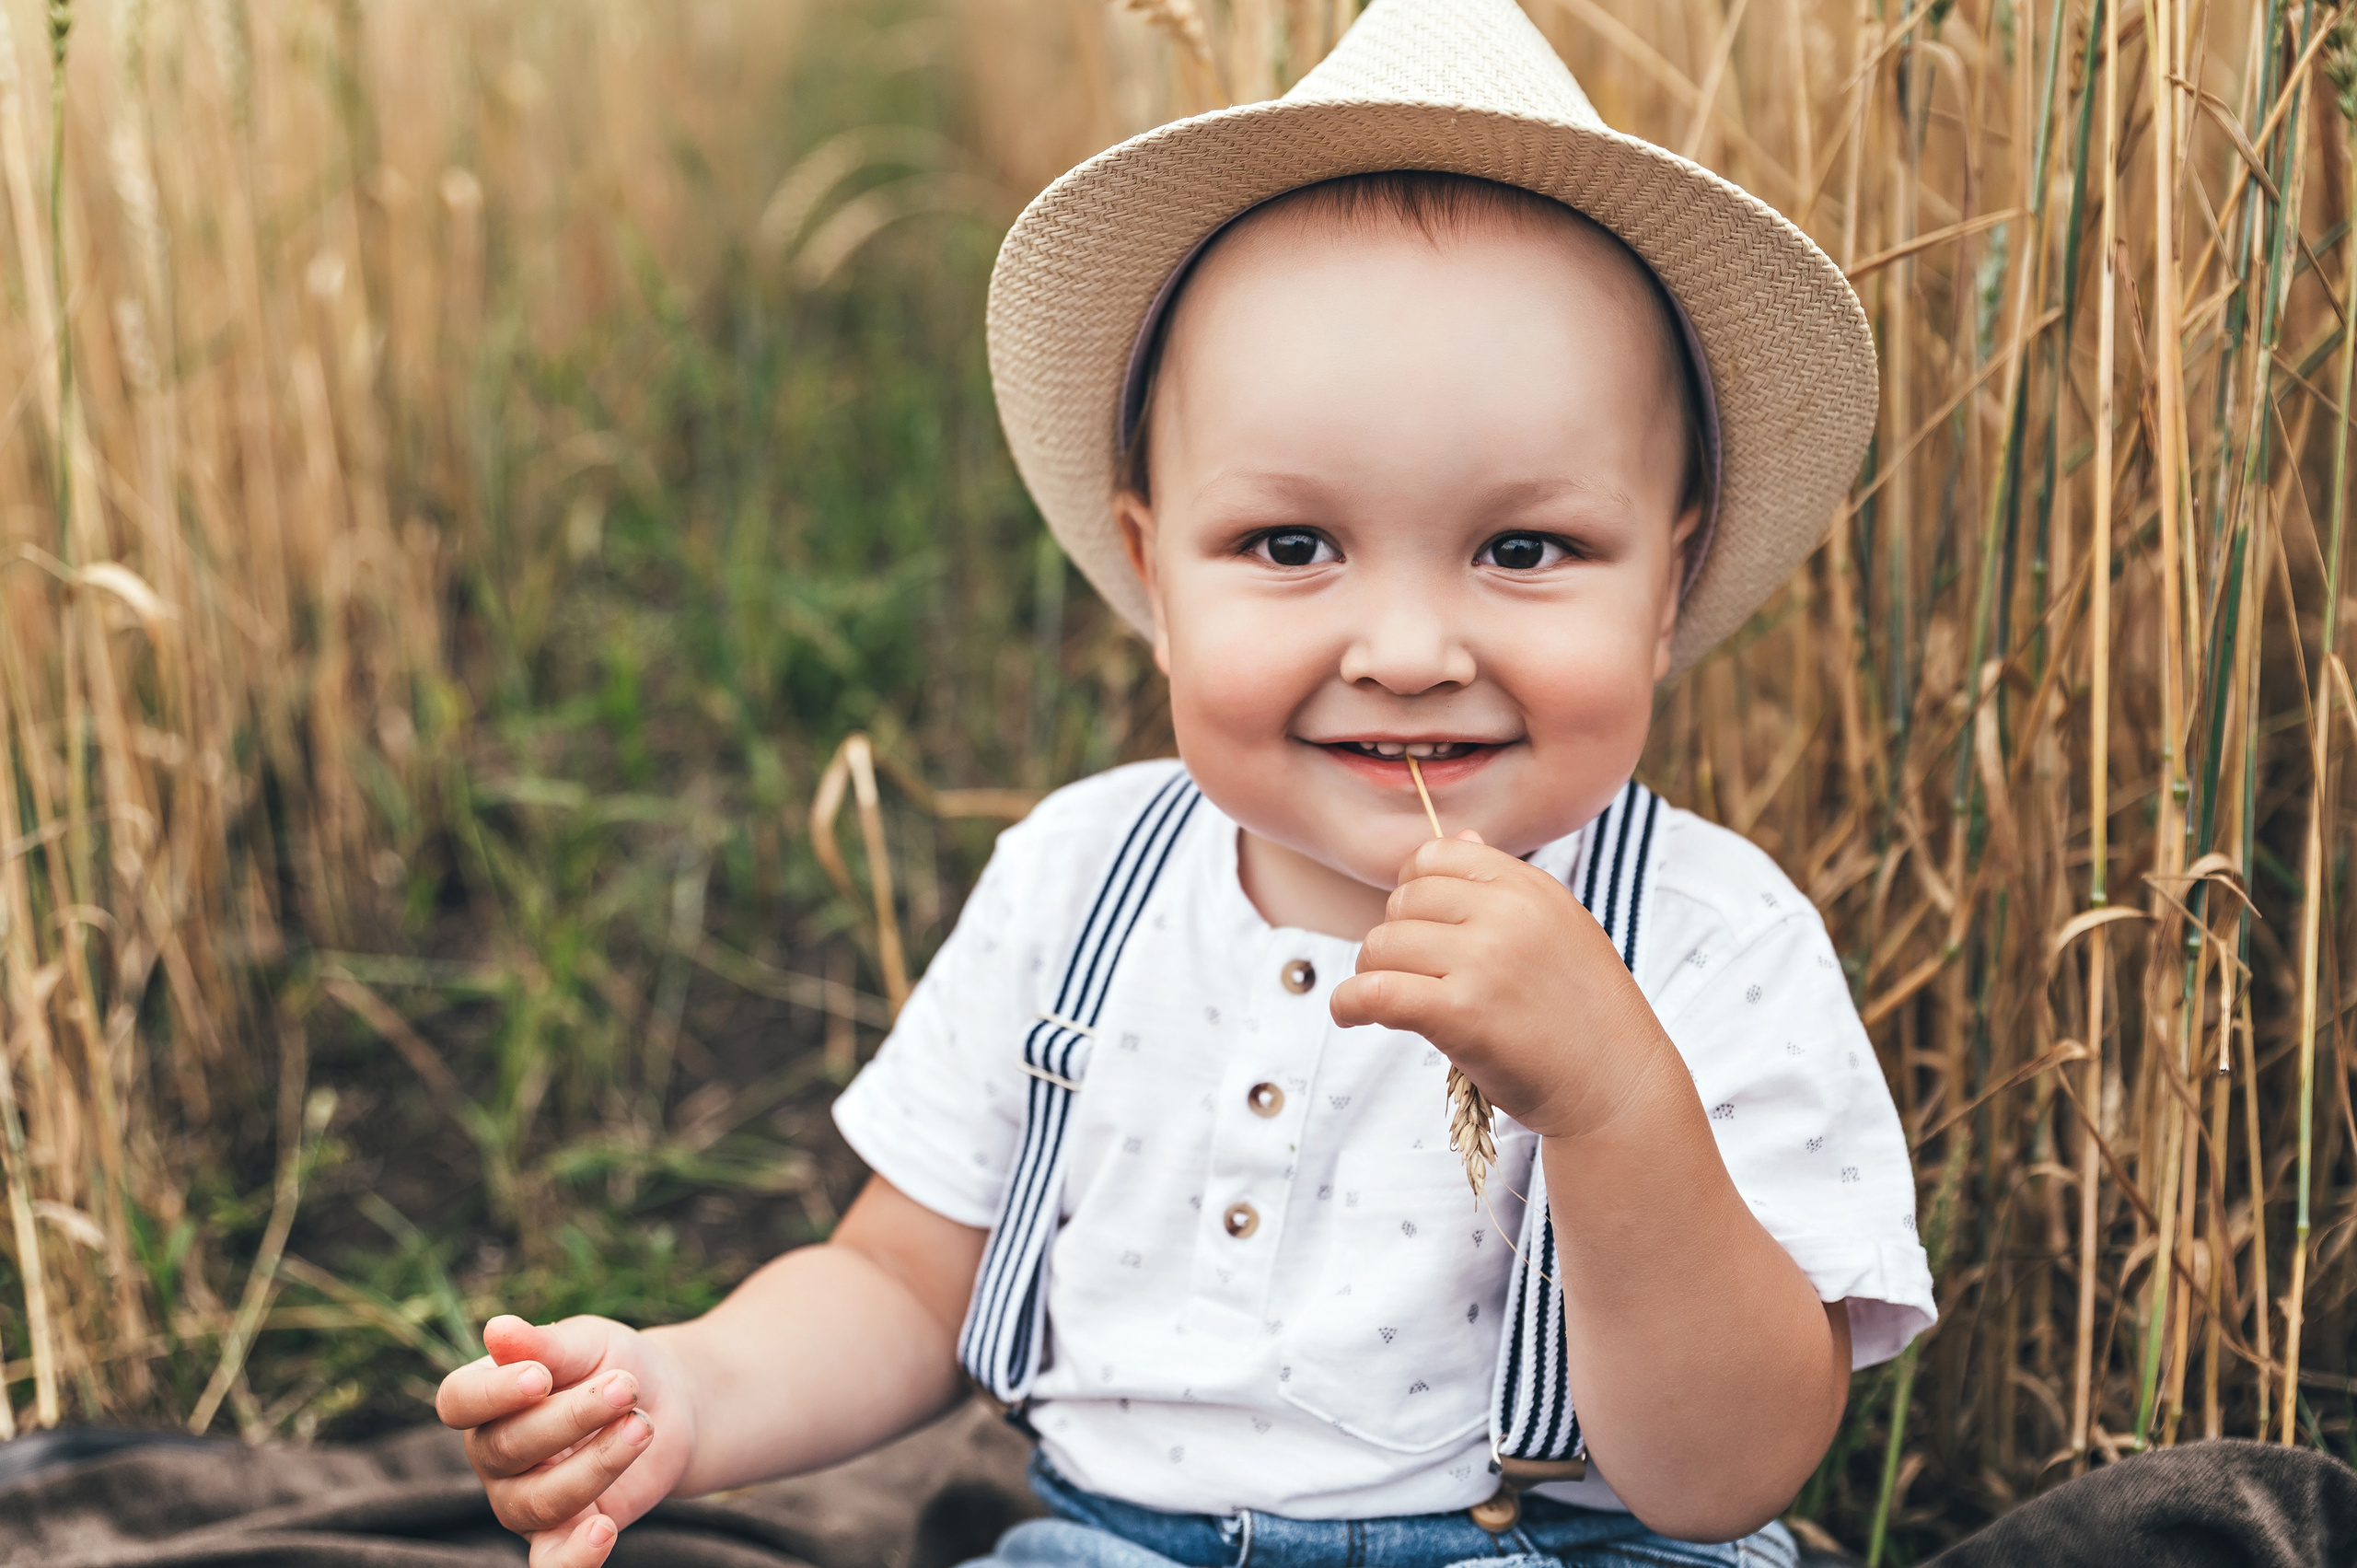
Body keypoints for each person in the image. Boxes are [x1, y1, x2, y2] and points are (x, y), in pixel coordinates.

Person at [431, 3, 1935, 1564]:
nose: (1410, 649)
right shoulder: (1078, 885)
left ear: (1669, 583)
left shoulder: (1704, 939)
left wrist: (1614, 1101)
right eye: (1291, 546)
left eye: (1525, 549)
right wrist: (686, 1387)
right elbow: (895, 1285)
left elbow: (1733, 1470)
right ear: (1156, 575)